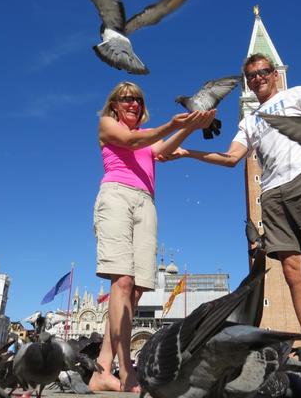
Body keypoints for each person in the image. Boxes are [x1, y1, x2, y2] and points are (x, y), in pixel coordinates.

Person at [162, 53, 301, 364]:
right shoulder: (248, 121)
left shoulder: (297, 94)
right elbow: (232, 159)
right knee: (293, 274)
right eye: (251, 75)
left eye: (263, 72)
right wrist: (187, 152)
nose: (257, 78)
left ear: (275, 75)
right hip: (271, 194)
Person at [88, 81, 215, 392]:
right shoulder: (108, 125)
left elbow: (162, 148)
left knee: (135, 291)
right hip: (117, 197)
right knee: (122, 282)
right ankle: (126, 369)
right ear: (114, 104)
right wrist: (172, 123)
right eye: (126, 98)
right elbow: (131, 140)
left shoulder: (147, 141)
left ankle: (101, 370)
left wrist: (192, 125)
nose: (132, 103)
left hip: (146, 202)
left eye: (138, 100)